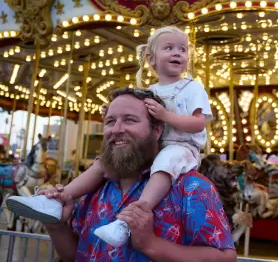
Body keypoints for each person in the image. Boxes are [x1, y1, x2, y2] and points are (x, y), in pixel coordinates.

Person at [6, 25, 212, 247]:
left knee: (165, 162)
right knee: (103, 162)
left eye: (182, 49)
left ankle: (132, 216)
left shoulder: (192, 88)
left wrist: (165, 115)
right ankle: (59, 199)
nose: (177, 53)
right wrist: (114, 113)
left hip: (181, 147)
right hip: (156, 147)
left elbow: (199, 123)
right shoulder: (151, 90)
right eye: (169, 48)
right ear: (151, 59)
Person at [28, 88, 236, 261]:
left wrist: (151, 244)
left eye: (129, 120)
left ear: (156, 130)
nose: (116, 129)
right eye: (110, 121)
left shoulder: (191, 188)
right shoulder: (96, 188)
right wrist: (57, 227)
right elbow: (77, 255)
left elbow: (225, 258)